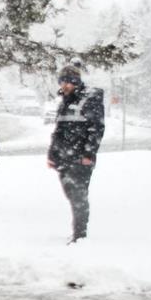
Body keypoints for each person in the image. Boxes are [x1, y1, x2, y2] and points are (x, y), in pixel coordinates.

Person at [47, 65, 105, 242]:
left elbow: (96, 129)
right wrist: (52, 154)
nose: (64, 85)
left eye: (67, 82)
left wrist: (88, 153)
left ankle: (80, 234)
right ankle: (78, 231)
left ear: (75, 82)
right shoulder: (65, 102)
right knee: (70, 192)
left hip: (81, 157)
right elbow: (59, 130)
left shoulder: (89, 100)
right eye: (62, 81)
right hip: (64, 156)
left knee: (79, 194)